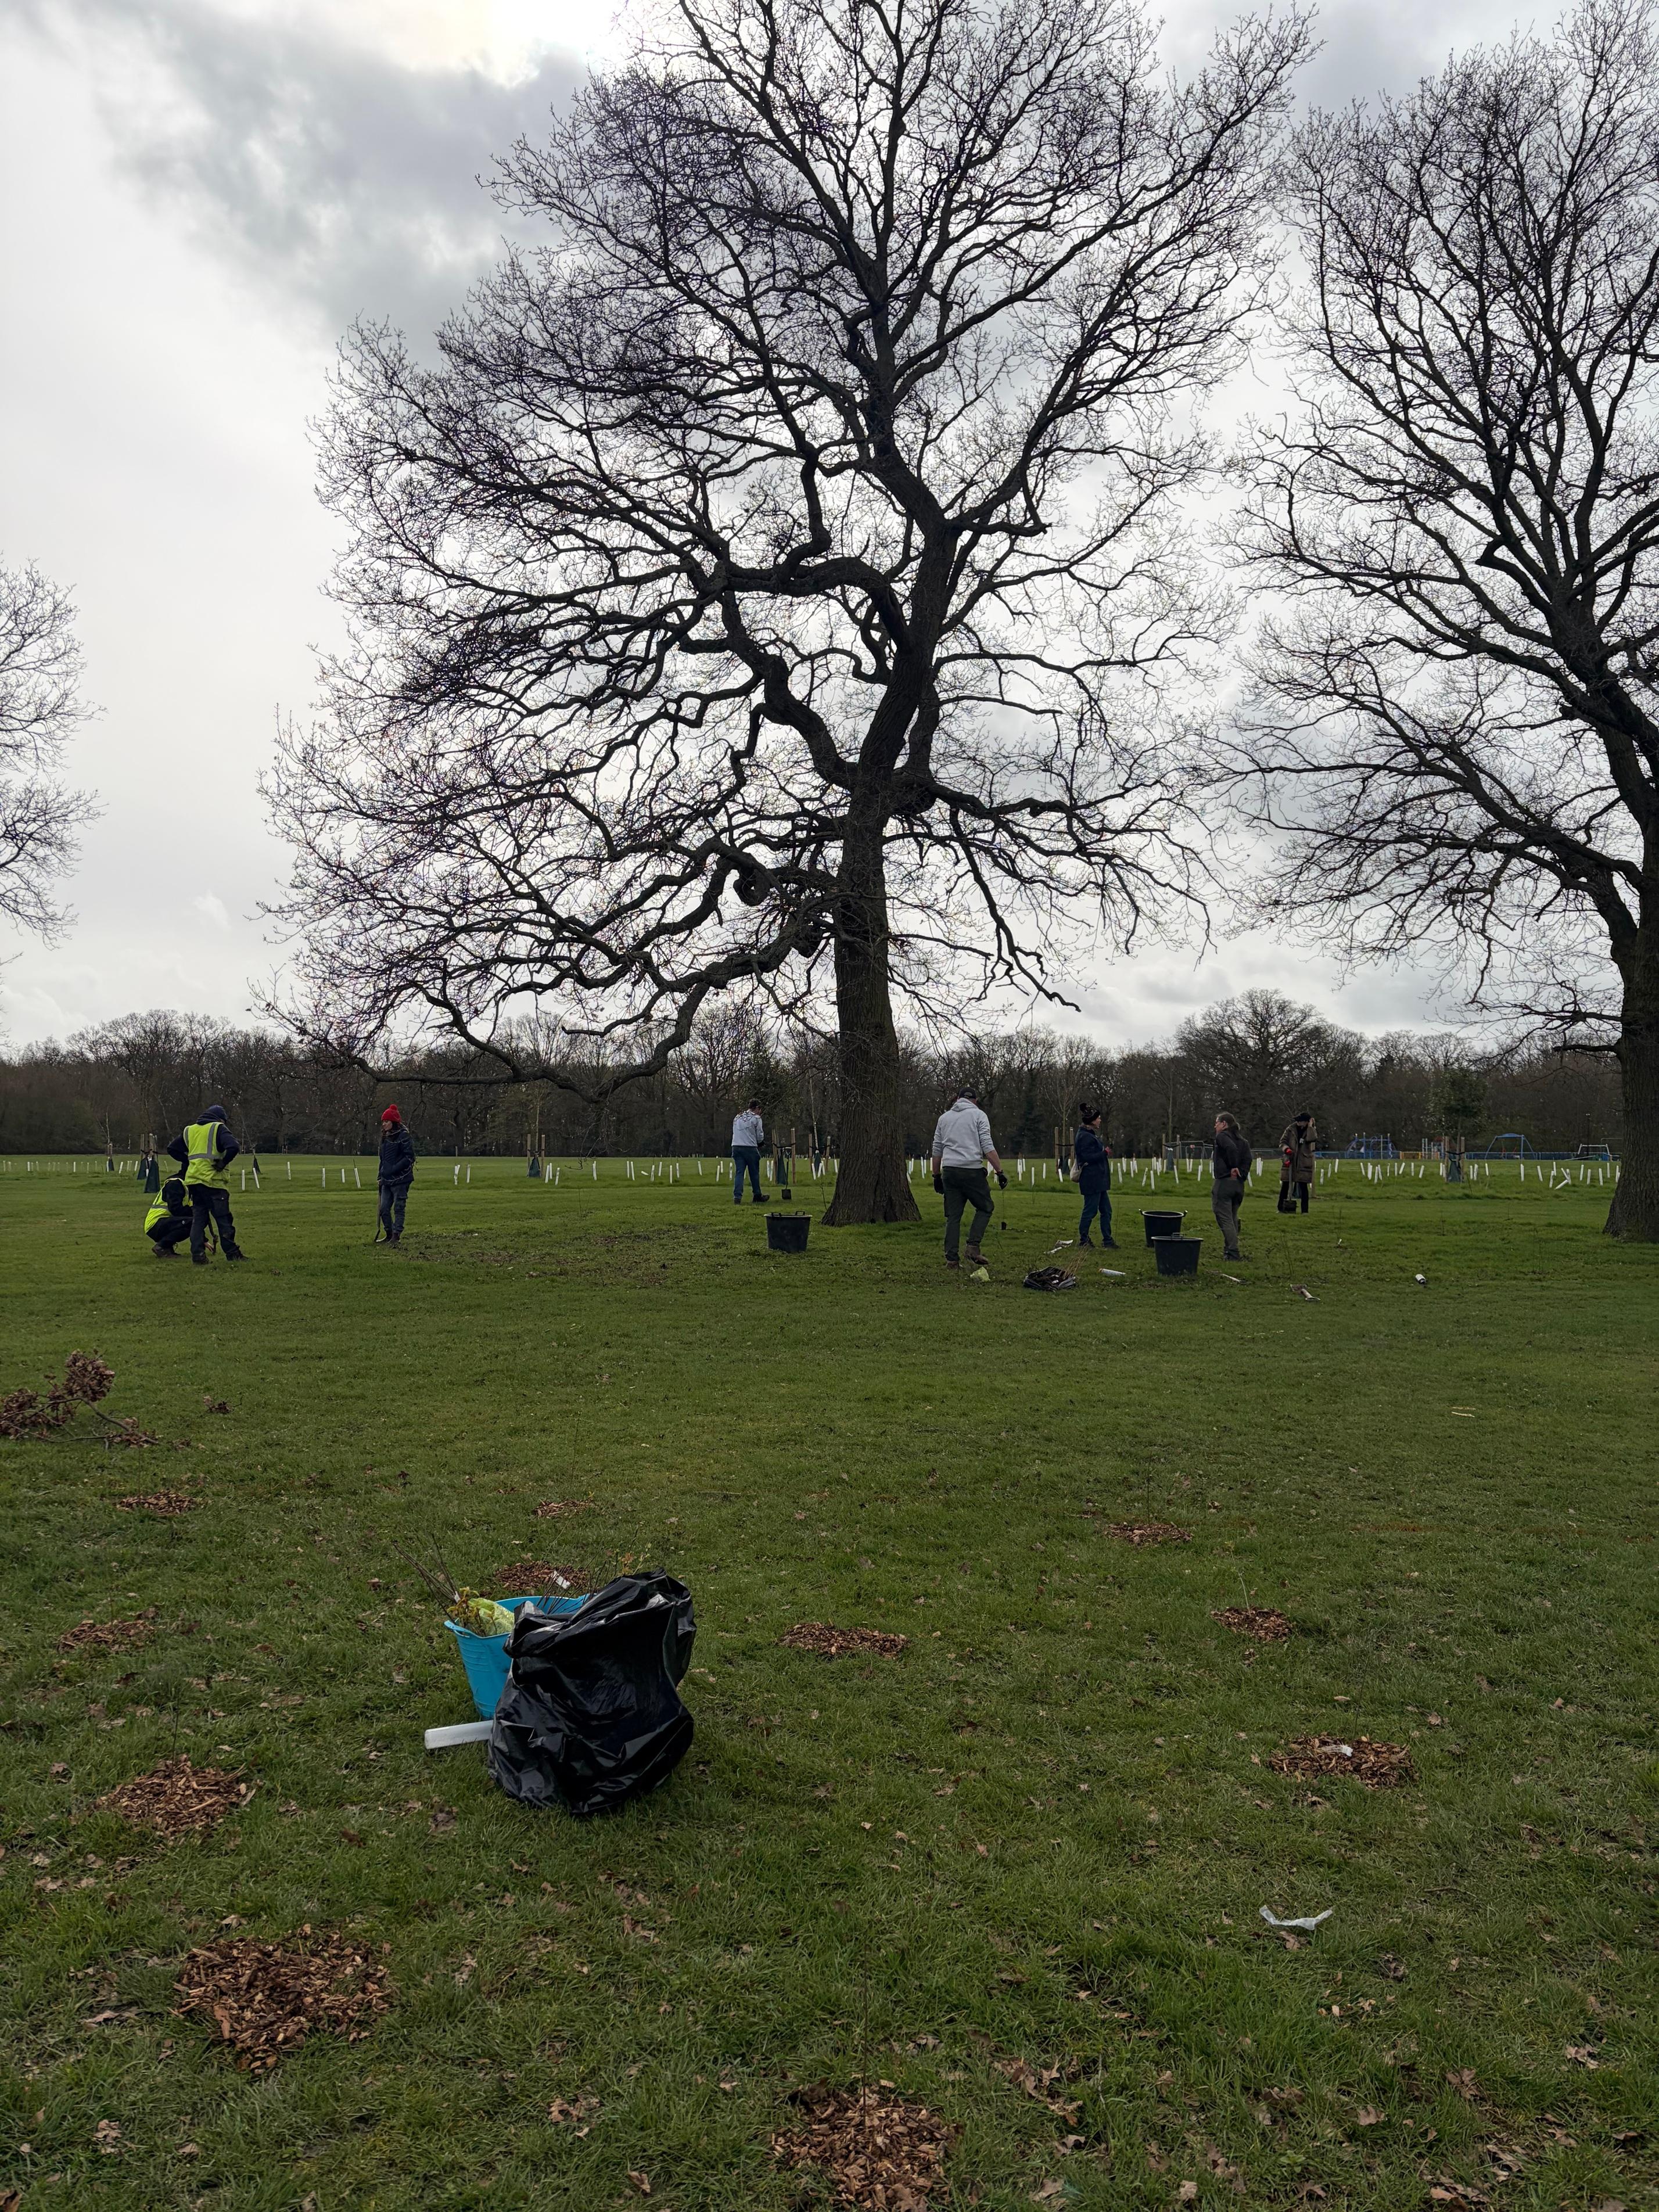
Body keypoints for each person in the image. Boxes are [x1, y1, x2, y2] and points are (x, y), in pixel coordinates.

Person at [929, 1086, 1007, 1270]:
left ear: (957, 1099)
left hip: (949, 1171)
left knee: (953, 1217)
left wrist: (936, 1175)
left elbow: (937, 1149)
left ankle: (952, 1260)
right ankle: (973, 1247)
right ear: (975, 1101)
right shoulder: (979, 1116)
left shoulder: (944, 1118)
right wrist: (999, 1171)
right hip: (971, 1171)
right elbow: (987, 1146)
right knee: (986, 1207)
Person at [166, 1104, 245, 1265]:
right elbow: (234, 1146)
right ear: (221, 1119)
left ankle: (198, 1256)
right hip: (213, 1182)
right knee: (223, 1219)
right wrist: (222, 1163)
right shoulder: (218, 1128)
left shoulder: (190, 1130)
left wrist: (188, 1160)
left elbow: (172, 1148)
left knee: (199, 1220)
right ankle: (232, 1254)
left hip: (194, 1182)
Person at [1073, 1104, 1117, 1247]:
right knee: (1090, 1211)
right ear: (1091, 1121)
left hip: (1099, 1180)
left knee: (1106, 1211)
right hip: (1092, 1180)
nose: (1100, 1121)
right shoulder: (1085, 1137)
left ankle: (1108, 1240)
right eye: (1098, 1119)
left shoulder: (1089, 1135)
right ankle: (1084, 1240)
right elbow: (1087, 1157)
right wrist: (1104, 1153)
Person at [1211, 1110, 1251, 1260]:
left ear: (1224, 1124)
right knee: (1233, 1217)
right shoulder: (1244, 1141)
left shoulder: (1222, 1137)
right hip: (1239, 1186)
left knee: (1224, 1217)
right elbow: (1248, 1159)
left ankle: (1233, 1252)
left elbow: (1231, 1149)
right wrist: (1242, 1174)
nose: (1215, 1126)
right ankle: (1228, 1251)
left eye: (1217, 1122)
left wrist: (1233, 1167)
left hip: (1224, 1182)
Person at [377, 1103, 416, 1244]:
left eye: (386, 1121)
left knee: (399, 1208)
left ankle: (396, 1236)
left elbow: (409, 1157)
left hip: (401, 1179)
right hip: (386, 1180)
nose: (384, 1124)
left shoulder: (403, 1136)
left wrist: (394, 1169)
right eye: (383, 1122)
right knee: (384, 1209)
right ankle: (388, 1234)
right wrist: (380, 1176)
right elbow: (382, 1160)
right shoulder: (385, 1137)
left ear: (394, 1122)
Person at [143, 1172, 192, 1257]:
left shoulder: (187, 1186)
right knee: (192, 1222)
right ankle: (161, 1247)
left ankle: (167, 1248)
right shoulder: (175, 1184)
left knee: (195, 1221)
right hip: (156, 1223)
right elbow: (176, 1210)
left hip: (164, 1222)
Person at [1278, 1109, 1316, 1213]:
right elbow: (1283, 1142)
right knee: (1285, 1184)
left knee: (1303, 1186)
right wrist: (1286, 1149)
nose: (1298, 1123)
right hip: (1290, 1160)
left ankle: (1305, 1211)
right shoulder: (1290, 1129)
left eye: (1301, 1121)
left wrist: (1310, 1127)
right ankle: (1281, 1208)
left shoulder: (1310, 1130)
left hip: (1304, 1162)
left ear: (1307, 1122)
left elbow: (1312, 1139)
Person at [730, 1098, 767, 1204]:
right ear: (757, 1108)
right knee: (754, 1173)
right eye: (760, 1110)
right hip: (749, 1148)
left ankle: (737, 1197)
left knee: (739, 1173)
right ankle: (757, 1195)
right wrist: (761, 1143)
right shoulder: (756, 1119)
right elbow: (760, 1135)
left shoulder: (738, 1117)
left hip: (736, 1146)